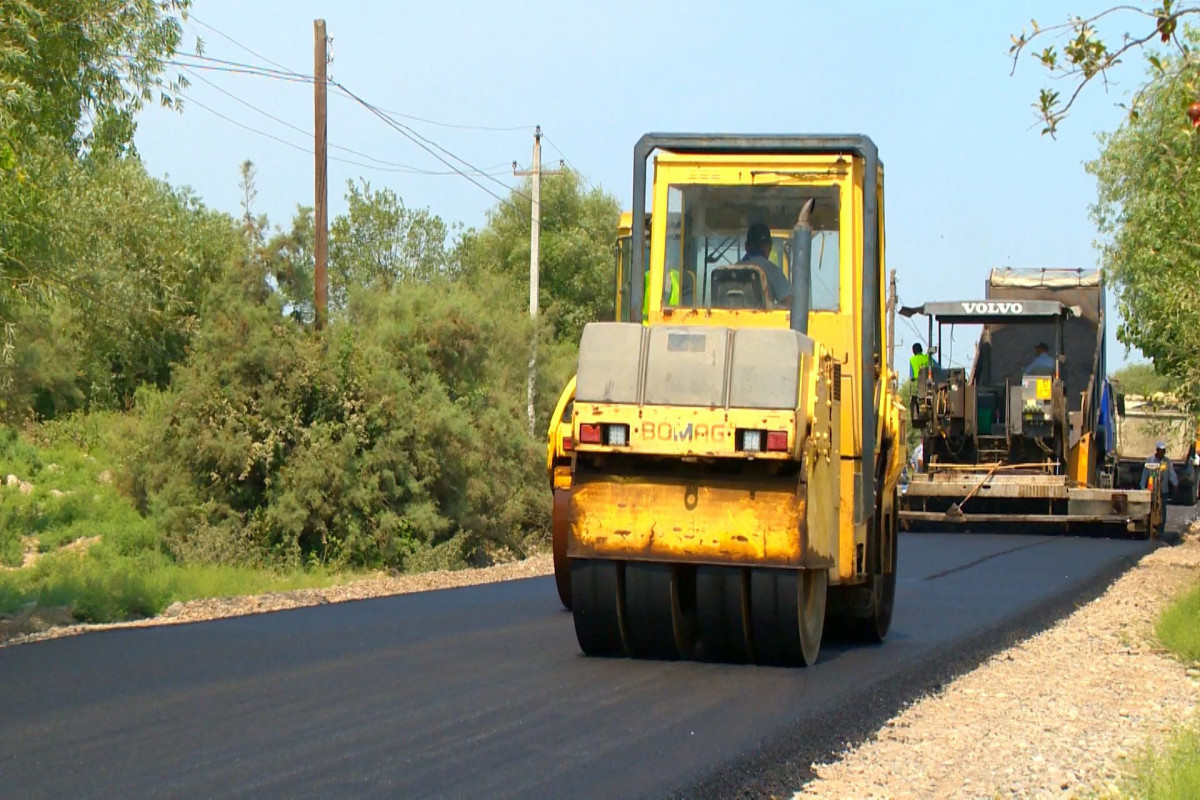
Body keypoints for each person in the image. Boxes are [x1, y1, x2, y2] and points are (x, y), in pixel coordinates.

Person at [739, 222, 792, 307]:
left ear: (746, 247)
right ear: (770, 246)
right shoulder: (773, 271)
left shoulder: (727, 273)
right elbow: (789, 303)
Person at [1140, 441, 1178, 536]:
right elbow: (1145, 474)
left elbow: (1171, 473)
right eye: (1161, 450)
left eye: (1164, 450)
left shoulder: (1167, 462)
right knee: (1149, 510)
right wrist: (1142, 486)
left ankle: (1160, 531)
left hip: (1163, 490)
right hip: (1151, 490)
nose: (1162, 452)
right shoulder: (1150, 461)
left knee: (1162, 510)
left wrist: (1175, 483)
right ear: (1157, 450)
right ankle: (1149, 529)